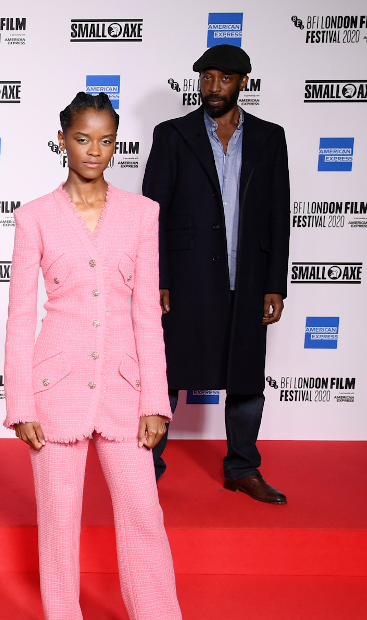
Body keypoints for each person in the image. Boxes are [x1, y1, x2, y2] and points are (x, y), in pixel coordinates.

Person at [4, 92, 184, 620]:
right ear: (62, 140)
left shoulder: (142, 214)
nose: (94, 151)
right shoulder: (34, 217)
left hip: (126, 390)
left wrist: (155, 400)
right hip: (54, 390)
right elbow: (19, 317)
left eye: (106, 141)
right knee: (58, 525)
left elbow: (148, 315)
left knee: (143, 518)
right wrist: (21, 402)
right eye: (83, 139)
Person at [142, 45, 289, 504]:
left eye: (224, 79)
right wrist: (158, 277)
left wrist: (274, 283)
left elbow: (278, 215)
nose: (213, 87)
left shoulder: (270, 137)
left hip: (248, 278)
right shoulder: (172, 135)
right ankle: (145, 468)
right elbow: (151, 213)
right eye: (207, 78)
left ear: (243, 82)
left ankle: (242, 468)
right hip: (187, 278)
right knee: (166, 374)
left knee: (246, 378)